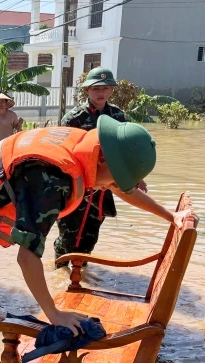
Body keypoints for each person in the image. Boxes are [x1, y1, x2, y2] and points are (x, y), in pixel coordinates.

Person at [0, 117, 197, 363]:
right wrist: (54, 314)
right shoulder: (51, 179)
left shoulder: (90, 147)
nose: (109, 187)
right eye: (113, 180)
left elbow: (121, 188)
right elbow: (26, 258)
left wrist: (171, 216)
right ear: (104, 158)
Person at [54, 67, 145, 267]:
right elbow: (63, 154)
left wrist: (137, 177)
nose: (100, 92)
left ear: (111, 90)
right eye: (96, 88)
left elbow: (127, 150)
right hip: (77, 185)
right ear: (87, 90)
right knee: (68, 234)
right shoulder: (73, 119)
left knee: (90, 236)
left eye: (105, 88)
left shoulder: (118, 117)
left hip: (104, 188)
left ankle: (80, 273)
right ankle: (60, 272)